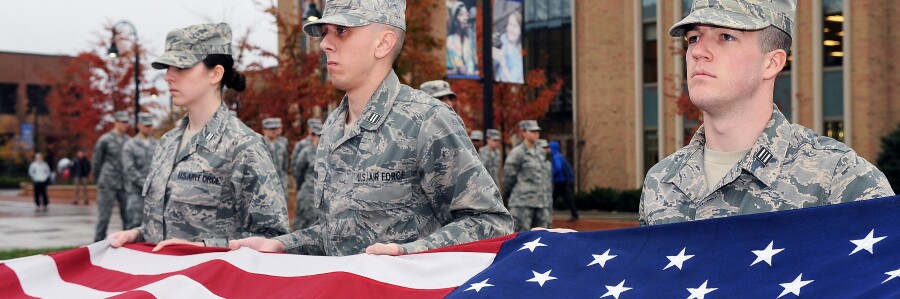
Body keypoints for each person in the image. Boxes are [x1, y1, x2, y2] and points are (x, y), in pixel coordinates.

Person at [229, 0, 512, 256]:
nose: (324, 44)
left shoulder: (427, 120)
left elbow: (491, 224)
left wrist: (408, 254)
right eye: (325, 32)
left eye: (341, 31)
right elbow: (338, 234)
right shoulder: (333, 128)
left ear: (383, 43)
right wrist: (282, 245)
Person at [640, 0, 895, 226]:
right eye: (694, 38)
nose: (697, 52)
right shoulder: (661, 181)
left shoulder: (839, 179)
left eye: (726, 37)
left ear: (772, 63)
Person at [106, 23, 289, 251]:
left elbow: (272, 239)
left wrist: (202, 246)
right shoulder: (167, 142)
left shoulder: (243, 146)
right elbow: (169, 221)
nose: (168, 77)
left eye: (180, 67)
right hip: (161, 279)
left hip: (209, 282)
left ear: (215, 73)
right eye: (167, 67)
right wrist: (139, 233)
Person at [503, 120, 552, 231]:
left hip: (541, 204)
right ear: (524, 133)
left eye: (537, 131)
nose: (536, 134)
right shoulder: (517, 153)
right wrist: (510, 195)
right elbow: (508, 178)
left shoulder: (540, 152)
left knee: (542, 239)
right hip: (522, 204)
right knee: (521, 239)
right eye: (532, 131)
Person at [93, 111, 131, 242]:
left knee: (128, 216)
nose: (126, 124)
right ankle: (97, 245)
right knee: (104, 217)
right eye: (123, 122)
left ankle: (127, 245)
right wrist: (99, 180)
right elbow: (97, 162)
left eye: (127, 122)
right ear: (116, 122)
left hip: (124, 183)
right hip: (108, 182)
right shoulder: (105, 140)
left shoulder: (129, 141)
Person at [121, 112, 158, 229]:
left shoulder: (157, 144)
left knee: (154, 225)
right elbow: (129, 169)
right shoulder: (130, 145)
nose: (149, 128)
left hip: (154, 191)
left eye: (150, 125)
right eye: (146, 125)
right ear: (139, 126)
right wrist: (144, 183)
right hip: (136, 191)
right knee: (134, 223)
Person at [292, 121, 323, 231]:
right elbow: (297, 172)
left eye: (321, 136)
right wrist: (301, 187)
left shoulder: (329, 153)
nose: (319, 138)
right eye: (316, 135)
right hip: (308, 194)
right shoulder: (305, 151)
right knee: (303, 224)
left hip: (323, 196)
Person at [446, 1, 478, 77]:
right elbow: (443, 72)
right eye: (461, 15)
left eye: (466, 14)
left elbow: (477, 67)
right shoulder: (449, 41)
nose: (465, 18)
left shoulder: (472, 39)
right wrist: (456, 70)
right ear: (455, 20)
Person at [549, 141, 578, 221]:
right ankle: (574, 214)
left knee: (551, 198)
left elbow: (558, 168)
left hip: (559, 181)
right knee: (567, 198)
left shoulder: (555, 157)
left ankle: (546, 214)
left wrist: (552, 175)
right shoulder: (560, 156)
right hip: (563, 180)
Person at [492, 10, 524, 84]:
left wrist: (503, 64)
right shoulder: (504, 40)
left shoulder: (519, 56)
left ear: (520, 31)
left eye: (515, 26)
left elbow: (512, 81)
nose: (511, 29)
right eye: (509, 24)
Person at [262, 117, 289, 197]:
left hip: (281, 182)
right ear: (264, 130)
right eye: (270, 129)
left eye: (275, 128)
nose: (273, 131)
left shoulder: (282, 144)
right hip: (266, 183)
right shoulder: (260, 144)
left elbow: (285, 164)